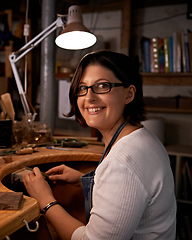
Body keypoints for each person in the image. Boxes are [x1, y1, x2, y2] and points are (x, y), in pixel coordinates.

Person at [23, 50, 177, 240]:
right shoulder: (141, 137)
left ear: (129, 94)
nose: (89, 97)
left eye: (102, 86)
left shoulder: (124, 160)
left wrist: (45, 200)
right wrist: (87, 181)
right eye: (82, 88)